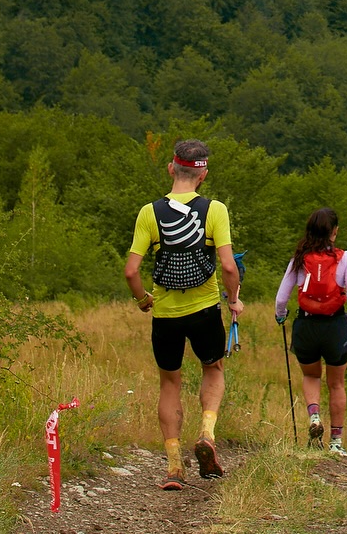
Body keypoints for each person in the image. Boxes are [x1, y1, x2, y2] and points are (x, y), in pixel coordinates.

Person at [124, 139, 245, 490]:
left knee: (169, 381)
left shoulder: (149, 212)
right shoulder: (215, 210)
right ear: (203, 174)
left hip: (165, 313)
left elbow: (131, 271)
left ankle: (174, 467)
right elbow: (227, 266)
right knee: (213, 367)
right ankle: (206, 433)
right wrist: (234, 299)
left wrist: (143, 300)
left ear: (170, 169)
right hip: (205, 308)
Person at [274, 207, 347, 455]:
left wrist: (280, 316)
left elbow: (281, 298)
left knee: (311, 376)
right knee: (336, 384)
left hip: (306, 326)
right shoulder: (345, 258)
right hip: (335, 327)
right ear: (334, 232)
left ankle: (314, 416)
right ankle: (336, 443)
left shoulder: (298, 259)